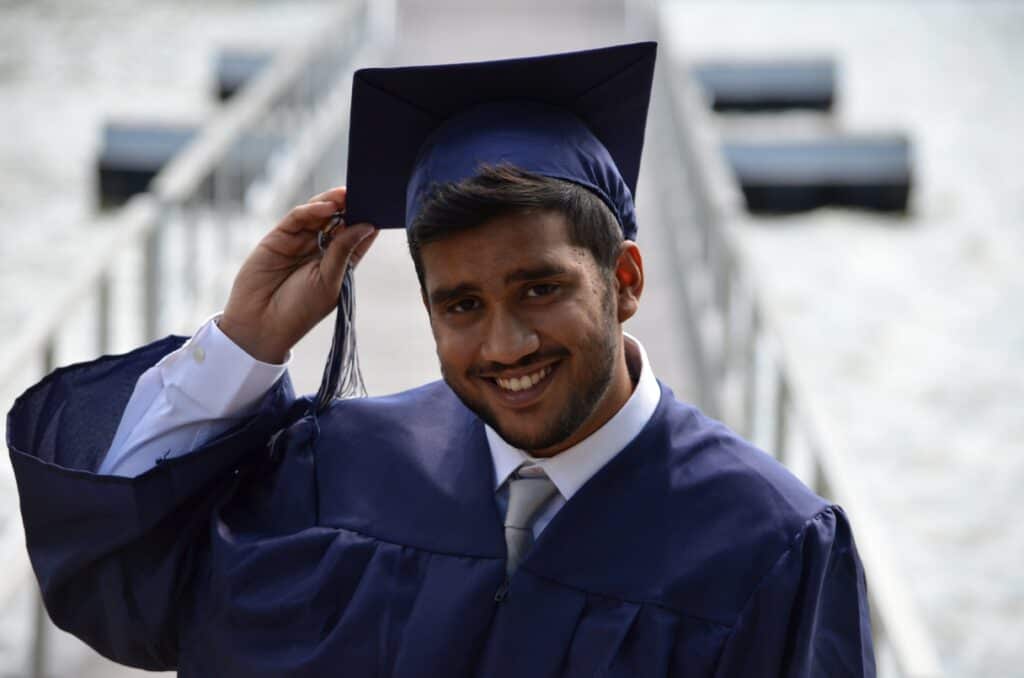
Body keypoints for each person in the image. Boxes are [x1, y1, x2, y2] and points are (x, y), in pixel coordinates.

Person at [7, 43, 875, 676]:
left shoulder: (772, 545)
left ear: (628, 278)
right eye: (461, 305)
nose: (504, 345)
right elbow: (124, 582)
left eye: (540, 289)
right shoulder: (339, 469)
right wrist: (246, 343)